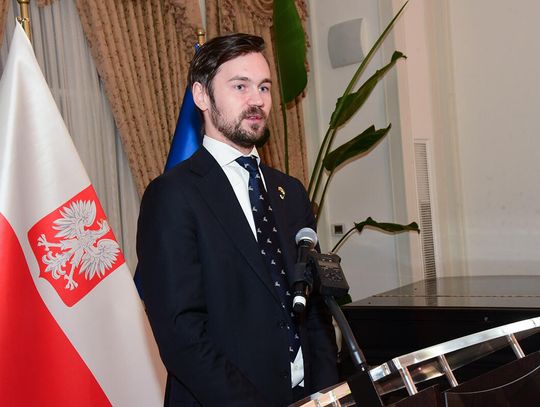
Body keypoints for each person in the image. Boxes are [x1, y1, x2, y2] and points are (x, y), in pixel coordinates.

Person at [137, 33, 338, 407]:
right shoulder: (172, 196)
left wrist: (325, 396)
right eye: (240, 86)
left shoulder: (290, 191)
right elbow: (183, 335)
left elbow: (316, 313)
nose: (257, 100)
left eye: (264, 87)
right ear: (202, 96)